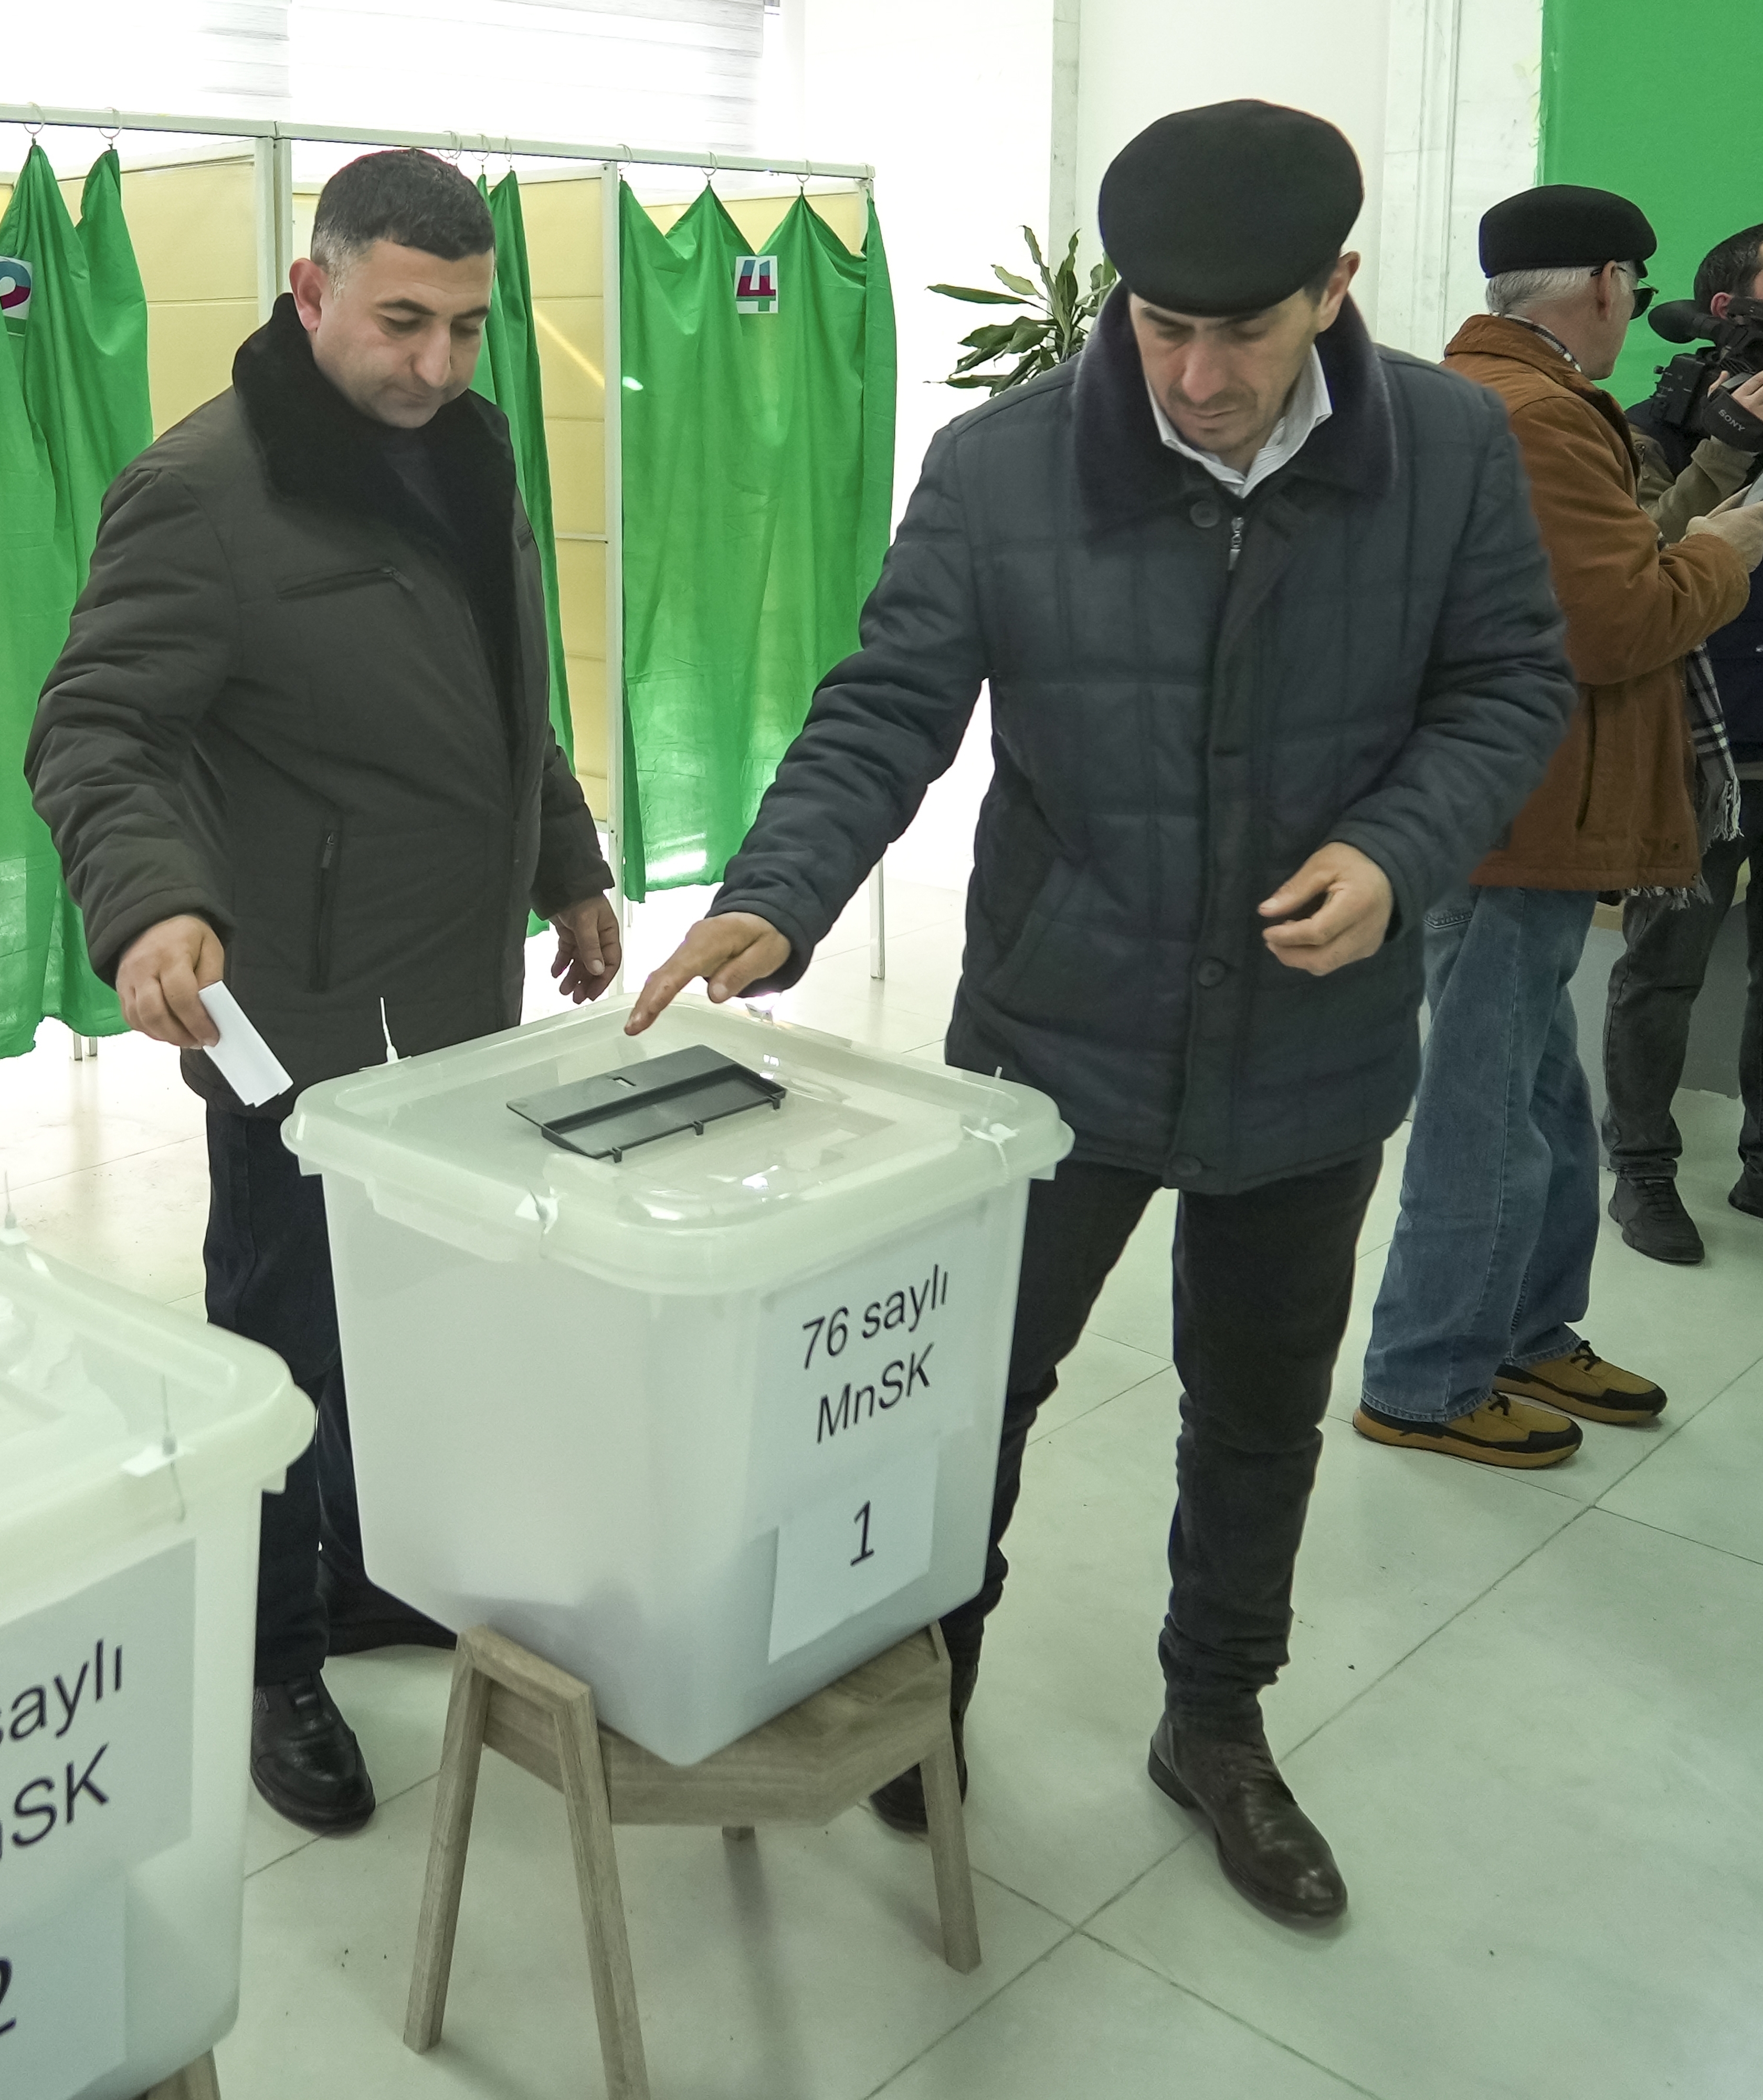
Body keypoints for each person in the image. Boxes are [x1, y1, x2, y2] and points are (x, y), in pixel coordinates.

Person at [624, 102, 1573, 1921]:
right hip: (1058, 1038)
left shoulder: (1447, 451)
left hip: (1315, 1041)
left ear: (1338, 292)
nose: (1200, 378)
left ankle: (1216, 1720)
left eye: (1245, 332)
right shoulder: (1002, 470)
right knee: (973, 1394)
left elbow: (1508, 684)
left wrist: (1399, 850)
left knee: (1261, 1404)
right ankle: (930, 1692)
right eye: (1160, 327)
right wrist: (775, 895)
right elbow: (887, 705)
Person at [26, 149, 621, 1837]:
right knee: (288, 1329)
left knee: (418, 1317)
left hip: (452, 995)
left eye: (467, 327)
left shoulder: (470, 450)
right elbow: (97, 726)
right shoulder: (206, 491)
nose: (435, 364)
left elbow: (509, 691)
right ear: (311, 291)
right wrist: (148, 904)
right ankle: (273, 1657)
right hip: (289, 1011)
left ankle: (367, 1576)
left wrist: (562, 863)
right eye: (401, 321)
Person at [1354, 190, 1763, 1465]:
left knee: (1544, 1104)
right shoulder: (1534, 417)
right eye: (1636, 284)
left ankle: (1526, 1329)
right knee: (1485, 1110)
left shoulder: (1502, 394)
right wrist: (1740, 535)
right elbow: (1620, 620)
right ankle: (1424, 1376)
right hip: (1521, 811)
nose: (1645, 310)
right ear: (1601, 280)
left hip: (1525, 807)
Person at [1604, 222, 1763, 1265]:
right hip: (1701, 741)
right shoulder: (1658, 421)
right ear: (1724, 308)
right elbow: (1634, 564)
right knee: (1663, 971)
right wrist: (1723, 445)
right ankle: (1644, 1171)